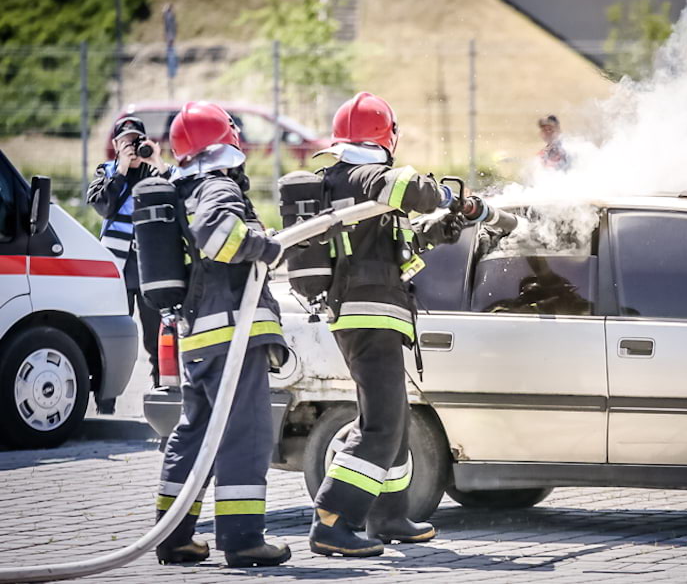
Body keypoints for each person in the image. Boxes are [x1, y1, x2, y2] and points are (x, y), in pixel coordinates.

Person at [306, 92, 463, 557]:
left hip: (365, 313)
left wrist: (435, 231)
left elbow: (392, 248)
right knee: (381, 424)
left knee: (390, 417)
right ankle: (332, 518)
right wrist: (451, 197)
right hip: (368, 316)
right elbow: (412, 190)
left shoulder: (343, 181)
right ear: (386, 135)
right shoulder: (368, 175)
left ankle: (389, 517)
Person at [152, 101, 290, 568]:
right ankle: (244, 539)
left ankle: (173, 538)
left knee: (195, 435)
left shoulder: (184, 186)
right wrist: (266, 245)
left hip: (198, 335)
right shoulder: (216, 186)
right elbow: (217, 236)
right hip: (231, 334)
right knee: (245, 435)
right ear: (225, 139)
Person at [87, 116, 170, 413]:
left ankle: (163, 392)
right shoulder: (107, 173)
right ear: (115, 145)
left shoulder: (155, 172)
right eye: (126, 142)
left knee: (156, 336)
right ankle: (104, 402)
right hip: (116, 270)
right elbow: (103, 205)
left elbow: (181, 195)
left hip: (149, 268)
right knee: (112, 336)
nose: (132, 147)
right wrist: (121, 169)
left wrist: (158, 160)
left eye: (137, 141)